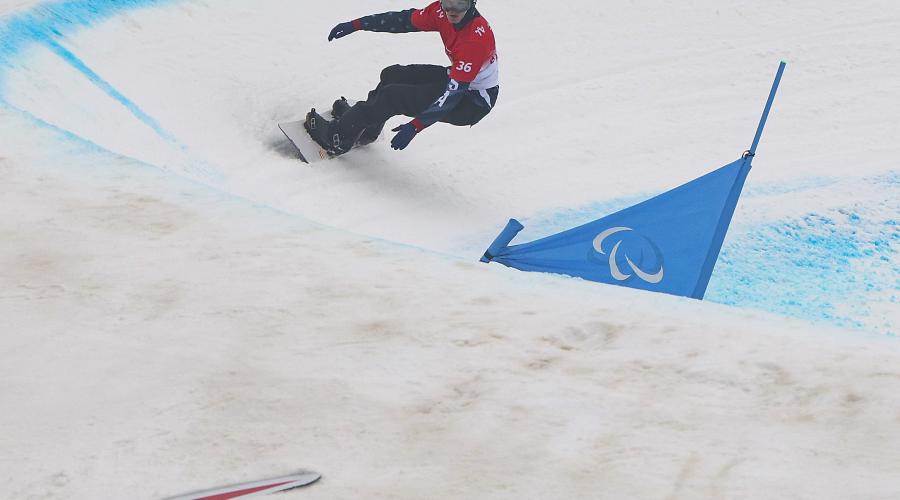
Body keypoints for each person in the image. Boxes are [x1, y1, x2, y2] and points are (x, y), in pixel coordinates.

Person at [305, 0, 499, 156]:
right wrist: (357, 24)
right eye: (448, 2)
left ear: (472, 3)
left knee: (393, 96)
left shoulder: (474, 41)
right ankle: (364, 128)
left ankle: (337, 137)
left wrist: (416, 125)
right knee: (392, 75)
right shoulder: (440, 13)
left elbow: (453, 94)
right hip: (458, 80)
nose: (452, 10)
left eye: (460, 4)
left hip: (472, 101)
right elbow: (403, 20)